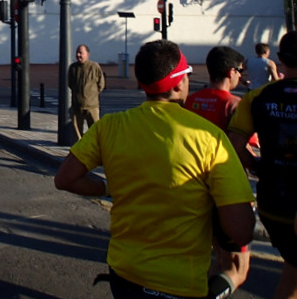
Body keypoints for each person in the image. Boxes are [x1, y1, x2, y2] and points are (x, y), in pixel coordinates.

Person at [54, 39, 255, 299]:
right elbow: (240, 230)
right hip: (180, 283)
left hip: (124, 273)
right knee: (237, 271)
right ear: (180, 83)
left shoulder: (110, 126)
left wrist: (106, 186)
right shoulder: (210, 137)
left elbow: (65, 179)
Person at [228, 31, 297, 299]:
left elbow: (235, 143)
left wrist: (255, 165)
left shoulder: (256, 98)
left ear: (280, 59)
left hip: (274, 201)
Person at [183, 46, 251, 291]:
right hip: (227, 190)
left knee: (216, 259)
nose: (241, 77)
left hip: (197, 186)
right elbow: (242, 148)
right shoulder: (235, 104)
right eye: (240, 71)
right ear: (231, 72)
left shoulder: (190, 101)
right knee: (236, 266)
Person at [67, 44, 105, 139]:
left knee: (95, 132)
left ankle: (95, 151)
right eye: (77, 53)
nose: (78, 55)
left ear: (87, 54)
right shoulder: (73, 68)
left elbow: (101, 84)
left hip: (92, 106)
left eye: (81, 53)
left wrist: (91, 95)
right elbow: (70, 83)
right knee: (76, 134)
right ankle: (78, 152)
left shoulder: (94, 66)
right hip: (77, 106)